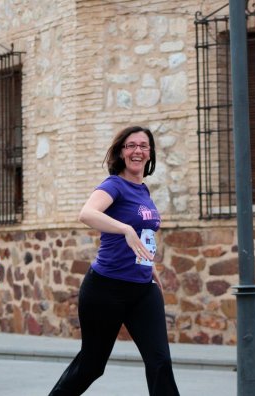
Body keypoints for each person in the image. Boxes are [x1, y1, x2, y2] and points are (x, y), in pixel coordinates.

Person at [49, 126, 180, 396]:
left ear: (150, 153)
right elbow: (86, 213)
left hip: (142, 290)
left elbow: (143, 235)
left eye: (144, 146)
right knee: (92, 364)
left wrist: (149, 264)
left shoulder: (143, 191)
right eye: (131, 145)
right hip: (105, 289)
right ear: (121, 151)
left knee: (160, 362)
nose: (138, 151)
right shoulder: (113, 186)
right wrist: (124, 229)